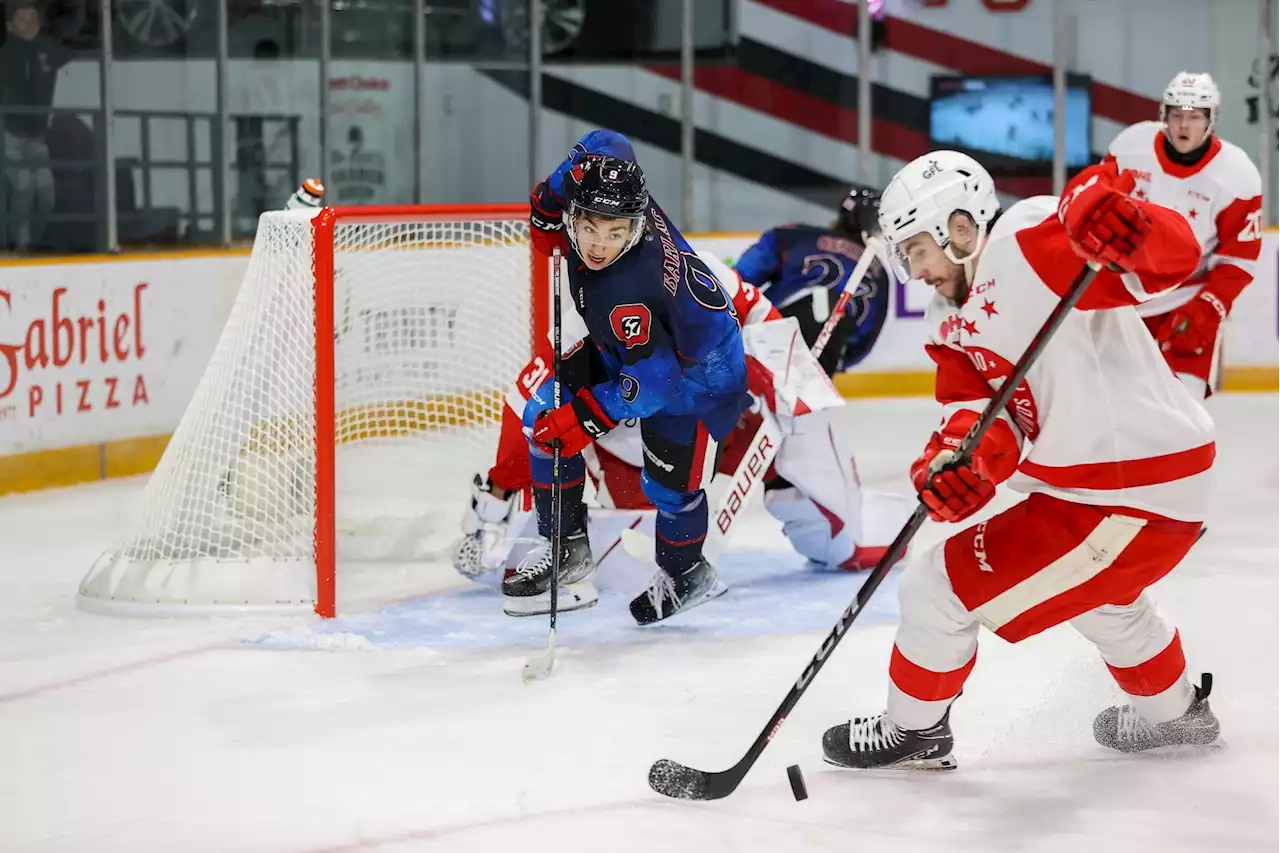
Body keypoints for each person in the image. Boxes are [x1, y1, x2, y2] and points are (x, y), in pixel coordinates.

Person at [821, 150, 1220, 771]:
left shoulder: (1030, 240)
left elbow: (1172, 260)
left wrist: (1126, 221)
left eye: (918, 250)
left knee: (936, 585)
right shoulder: (946, 317)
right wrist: (959, 464)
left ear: (959, 227)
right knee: (1103, 601)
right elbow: (977, 410)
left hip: (1129, 494)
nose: (917, 271)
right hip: (1104, 494)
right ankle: (1177, 717)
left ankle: (915, 729)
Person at [503, 131, 753, 626]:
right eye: (589, 227)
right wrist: (552, 196)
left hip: (695, 377)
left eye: (615, 232)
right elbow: (605, 141)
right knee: (542, 415)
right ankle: (567, 547)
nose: (598, 245)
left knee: (671, 489)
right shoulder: (617, 186)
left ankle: (687, 574)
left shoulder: (627, 291)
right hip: (640, 350)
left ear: (635, 228)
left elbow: (655, 384)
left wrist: (587, 417)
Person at [1104, 71, 1262, 399]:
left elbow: (1239, 260)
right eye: (1177, 115)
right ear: (1164, 116)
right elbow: (1098, 208)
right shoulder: (1130, 148)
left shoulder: (1237, 176)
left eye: (1194, 117)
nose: (1184, 126)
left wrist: (1208, 307)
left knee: (1183, 413)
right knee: (1116, 407)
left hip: (1185, 304)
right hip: (1124, 301)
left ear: (1211, 120)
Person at [734, 187, 890, 375]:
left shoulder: (794, 236)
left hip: (770, 329)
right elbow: (864, 341)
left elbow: (740, 279)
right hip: (826, 351)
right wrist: (837, 359)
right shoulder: (879, 275)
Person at [0, 0, 73, 251]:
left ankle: (33, 243)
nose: (30, 24)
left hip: (37, 135)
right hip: (9, 133)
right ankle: (20, 246)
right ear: (10, 26)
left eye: (34, 18)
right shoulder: (5, 52)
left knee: (46, 193)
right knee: (23, 186)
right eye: (23, 19)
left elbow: (74, 43)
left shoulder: (47, 49)